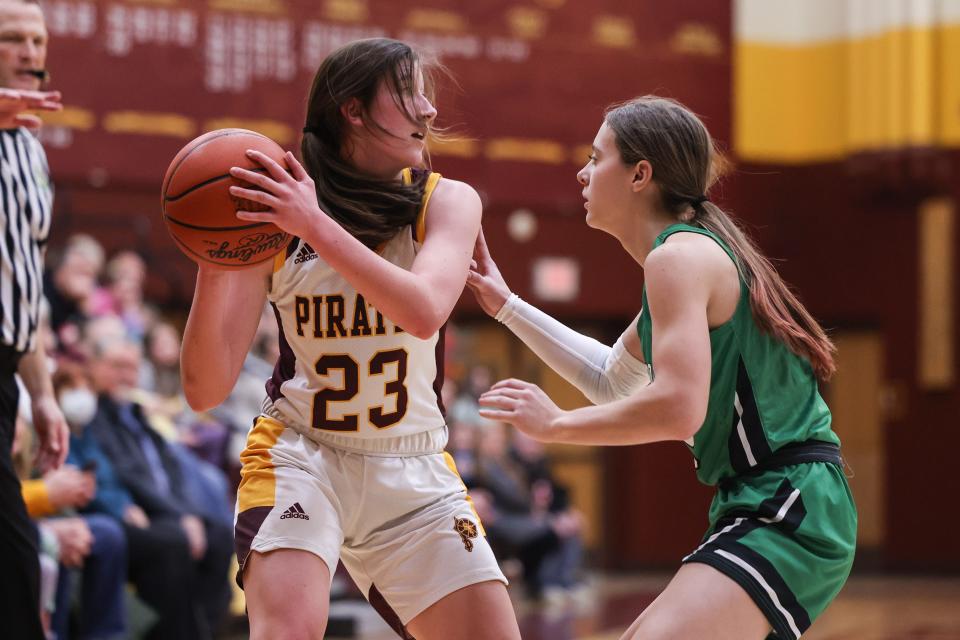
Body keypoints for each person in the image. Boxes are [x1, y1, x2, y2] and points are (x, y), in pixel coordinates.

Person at [470, 95, 857, 639]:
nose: (582, 173)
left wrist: (556, 424)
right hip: (771, 497)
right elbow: (612, 381)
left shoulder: (676, 259)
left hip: (789, 502)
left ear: (639, 175)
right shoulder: (685, 257)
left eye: (596, 157)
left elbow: (679, 408)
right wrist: (507, 307)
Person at [181, 37, 520, 640]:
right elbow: (205, 389)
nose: (430, 109)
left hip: (413, 465)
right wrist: (215, 255)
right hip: (302, 455)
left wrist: (314, 224)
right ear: (353, 110)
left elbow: (422, 312)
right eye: (410, 91)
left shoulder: (447, 202)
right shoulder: (274, 216)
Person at [0, 0, 66, 636]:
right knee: (16, 560)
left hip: (6, 370)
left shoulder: (31, 151)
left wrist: (42, 394)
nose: (29, 52)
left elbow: (24, 289)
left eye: (37, 39)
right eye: (11, 39)